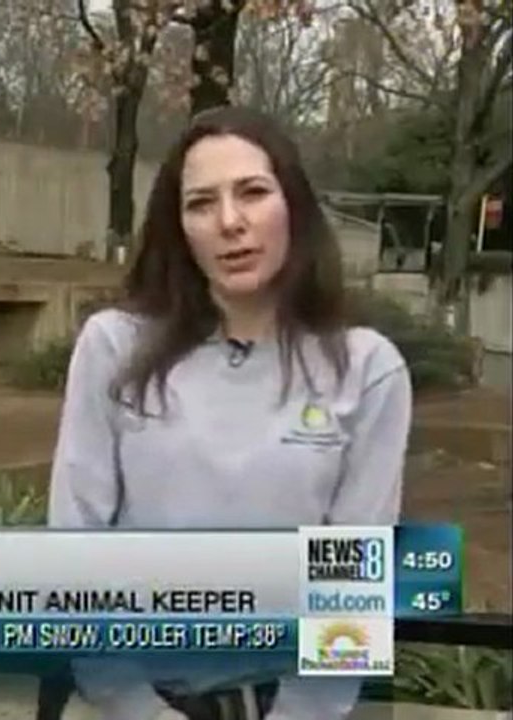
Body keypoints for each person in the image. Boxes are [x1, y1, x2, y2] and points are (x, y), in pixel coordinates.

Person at [45, 106, 412, 720]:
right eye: (201, 203)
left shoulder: (368, 370)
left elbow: (353, 587)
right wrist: (138, 709)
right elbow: (73, 553)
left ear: (293, 205)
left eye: (253, 193)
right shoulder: (114, 347)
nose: (230, 222)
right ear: (179, 228)